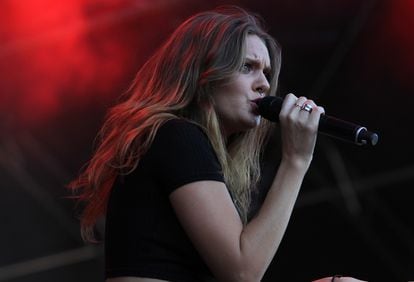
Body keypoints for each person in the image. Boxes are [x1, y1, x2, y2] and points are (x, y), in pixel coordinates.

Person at [68, 5, 362, 282]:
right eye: (248, 67)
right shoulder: (176, 136)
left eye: (267, 73)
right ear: (203, 75)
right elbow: (243, 272)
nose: (263, 84)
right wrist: (296, 161)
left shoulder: (182, 143)